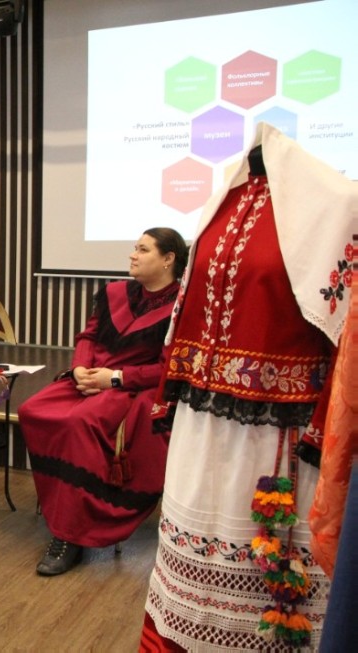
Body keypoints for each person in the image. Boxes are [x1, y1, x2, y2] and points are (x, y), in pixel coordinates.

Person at [140, 123, 354, 650]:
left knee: (270, 573)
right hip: (203, 424)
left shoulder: (336, 204)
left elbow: (341, 336)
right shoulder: (222, 203)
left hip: (277, 434)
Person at [18, 227, 189, 576]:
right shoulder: (114, 293)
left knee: (79, 423)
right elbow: (89, 336)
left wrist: (115, 377)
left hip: (132, 387)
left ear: (168, 259)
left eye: (143, 249)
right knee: (31, 410)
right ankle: (60, 505)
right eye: (135, 248)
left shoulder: (182, 307)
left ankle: (70, 536)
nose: (133, 255)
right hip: (92, 377)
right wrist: (79, 367)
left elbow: (168, 367)